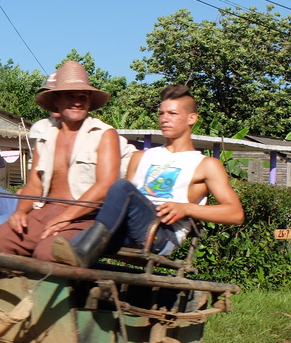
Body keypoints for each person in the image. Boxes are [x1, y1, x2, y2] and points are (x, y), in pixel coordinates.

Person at [52, 84, 244, 267]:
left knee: (120, 187)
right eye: (161, 113)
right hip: (129, 230)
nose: (164, 119)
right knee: (74, 239)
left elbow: (235, 214)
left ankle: (82, 257)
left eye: (172, 113)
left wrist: (187, 209)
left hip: (162, 234)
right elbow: (120, 206)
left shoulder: (205, 165)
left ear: (192, 118)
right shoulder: (140, 157)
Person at [0, 61, 120, 262]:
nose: (77, 102)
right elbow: (34, 186)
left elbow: (106, 186)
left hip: (84, 218)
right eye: (70, 96)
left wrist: (67, 216)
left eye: (83, 96)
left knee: (46, 254)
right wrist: (20, 211)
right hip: (44, 212)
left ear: (90, 101)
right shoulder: (46, 137)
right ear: (57, 100)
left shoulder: (104, 134)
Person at [0, 71, 59, 244]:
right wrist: (26, 193)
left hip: (48, 208)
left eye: (59, 96)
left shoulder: (88, 135)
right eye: (51, 97)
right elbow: (34, 180)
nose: (55, 103)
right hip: (27, 199)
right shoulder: (41, 129)